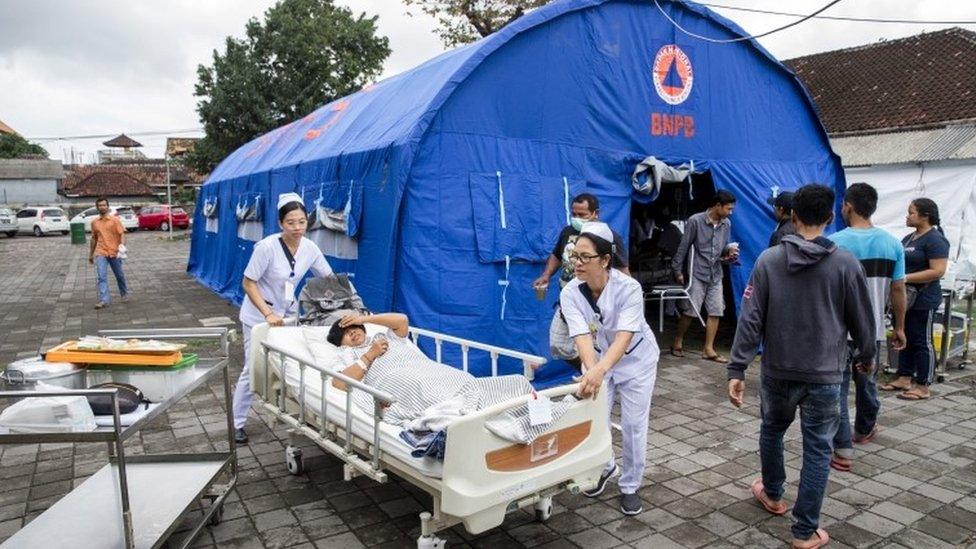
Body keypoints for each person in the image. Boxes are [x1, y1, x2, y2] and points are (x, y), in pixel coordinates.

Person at [727, 184, 876, 549]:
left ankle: (774, 494)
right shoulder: (845, 264)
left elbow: (750, 320)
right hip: (826, 375)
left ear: (793, 217)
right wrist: (867, 357)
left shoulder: (768, 261)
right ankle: (804, 531)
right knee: (817, 450)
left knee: (772, 431)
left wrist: (737, 368)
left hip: (777, 371)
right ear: (830, 217)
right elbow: (863, 321)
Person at [326, 312, 570, 445]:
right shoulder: (347, 355)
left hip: (430, 370)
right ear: (341, 343)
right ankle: (478, 420)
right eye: (346, 334)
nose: (353, 334)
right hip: (400, 381)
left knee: (499, 382)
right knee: (426, 390)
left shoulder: (387, 336)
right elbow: (339, 382)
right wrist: (369, 356)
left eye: (354, 328)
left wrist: (364, 318)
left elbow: (401, 320)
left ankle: (530, 415)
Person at [559, 222, 659, 516]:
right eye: (574, 256)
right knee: (595, 418)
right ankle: (606, 466)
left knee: (632, 426)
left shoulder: (629, 289)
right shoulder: (571, 294)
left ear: (605, 260)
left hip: (636, 362)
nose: (576, 263)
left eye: (584, 257)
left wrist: (598, 371)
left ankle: (630, 485)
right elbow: (581, 338)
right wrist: (593, 371)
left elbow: (624, 337)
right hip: (600, 359)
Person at [232, 192, 333, 444]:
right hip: (258, 315)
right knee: (252, 366)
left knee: (294, 362)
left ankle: (297, 412)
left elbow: (329, 279)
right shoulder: (266, 247)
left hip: (287, 315)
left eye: (301, 221)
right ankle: (237, 422)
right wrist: (267, 313)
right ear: (280, 224)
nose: (297, 228)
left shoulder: (310, 248)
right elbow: (248, 283)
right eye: (291, 222)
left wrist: (349, 305)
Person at [828, 183, 907, 472]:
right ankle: (864, 429)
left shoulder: (834, 243)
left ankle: (842, 448)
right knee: (867, 383)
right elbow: (898, 290)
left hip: (838, 331)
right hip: (871, 332)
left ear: (848, 205)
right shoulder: (892, 244)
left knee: (836, 388)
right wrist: (899, 327)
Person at [880, 198, 949, 401]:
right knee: (904, 335)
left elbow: (938, 271)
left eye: (911, 212)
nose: (907, 216)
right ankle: (904, 376)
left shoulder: (935, 240)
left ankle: (923, 384)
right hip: (904, 297)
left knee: (921, 339)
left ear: (925, 216)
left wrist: (904, 278)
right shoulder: (909, 238)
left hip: (923, 298)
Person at [670, 189, 738, 362]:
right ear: (717, 206)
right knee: (690, 310)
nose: (730, 213)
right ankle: (677, 340)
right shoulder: (696, 221)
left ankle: (708, 348)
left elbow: (721, 248)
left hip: (716, 273)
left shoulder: (726, 224)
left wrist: (729, 252)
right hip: (697, 272)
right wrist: (677, 270)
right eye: (728, 209)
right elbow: (684, 246)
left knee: (716, 310)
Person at [533, 193, 629, 291]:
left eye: (582, 215)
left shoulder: (609, 237)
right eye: (574, 214)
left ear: (596, 213)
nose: (576, 218)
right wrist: (546, 275)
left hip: (595, 296)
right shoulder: (567, 232)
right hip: (567, 294)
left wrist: (628, 292)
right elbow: (556, 255)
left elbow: (622, 268)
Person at [89, 197, 129, 309]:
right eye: (100, 205)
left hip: (115, 252)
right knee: (101, 276)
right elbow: (94, 239)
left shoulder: (115, 220)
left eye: (104, 205)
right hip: (101, 252)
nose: (102, 207)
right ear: (97, 207)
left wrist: (122, 246)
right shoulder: (94, 223)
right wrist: (91, 254)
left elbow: (122, 234)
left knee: (119, 275)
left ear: (108, 207)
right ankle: (104, 300)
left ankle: (124, 293)